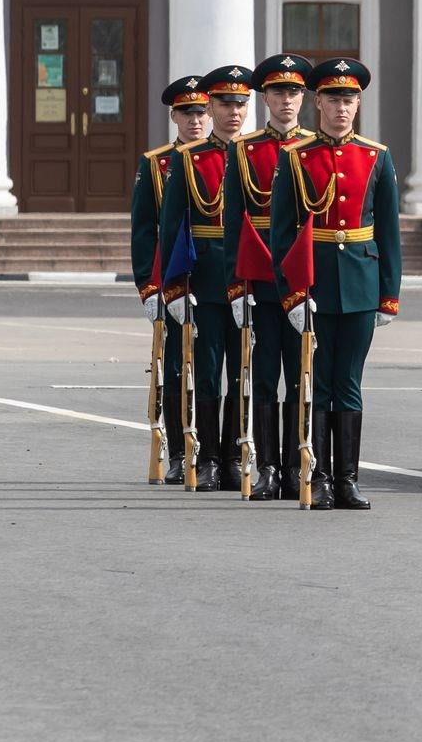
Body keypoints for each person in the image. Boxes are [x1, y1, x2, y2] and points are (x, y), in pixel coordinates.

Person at [274, 58, 401, 511]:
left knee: (350, 382)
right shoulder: (296, 158)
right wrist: (291, 292)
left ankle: (348, 479)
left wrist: (389, 294)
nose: (341, 108)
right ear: (317, 102)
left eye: (349, 99)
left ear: (358, 103)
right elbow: (283, 233)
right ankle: (321, 477)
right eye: (333, 99)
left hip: (362, 283)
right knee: (319, 384)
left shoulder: (375, 156)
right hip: (316, 285)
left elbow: (388, 230)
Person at [157, 63, 254, 492]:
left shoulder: (261, 155)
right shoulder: (189, 160)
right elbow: (169, 228)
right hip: (207, 280)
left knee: (245, 372)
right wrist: (172, 287)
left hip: (251, 279)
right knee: (207, 372)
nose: (234, 112)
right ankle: (208, 457)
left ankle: (235, 455)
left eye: (240, 103)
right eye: (225, 104)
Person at [233, 52, 313, 502]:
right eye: (279, 92)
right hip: (262, 281)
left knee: (302, 377)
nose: (287, 100)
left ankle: (299, 462)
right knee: (264, 377)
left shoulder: (314, 148)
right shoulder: (245, 151)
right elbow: (234, 225)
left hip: (303, 279)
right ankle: (268, 469)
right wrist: (235, 286)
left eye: (294, 92)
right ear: (265, 97)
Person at [133, 75, 211, 484]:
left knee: (218, 368)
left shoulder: (230, 157)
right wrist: (149, 286)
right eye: (187, 113)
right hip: (173, 277)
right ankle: (180, 451)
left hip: (213, 275)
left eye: (201, 112)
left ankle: (219, 450)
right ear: (174, 116)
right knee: (178, 369)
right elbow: (144, 230)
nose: (195, 120)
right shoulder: (157, 163)